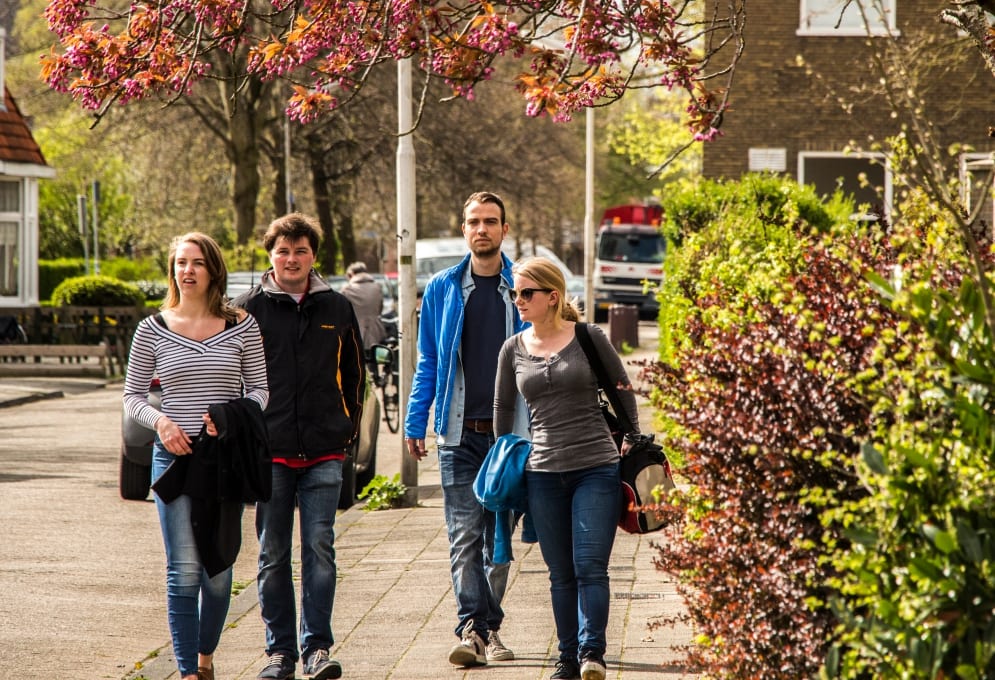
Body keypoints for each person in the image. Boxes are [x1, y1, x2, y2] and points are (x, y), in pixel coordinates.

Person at [123, 232, 269, 680]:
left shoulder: (243, 325)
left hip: (224, 462)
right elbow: (132, 397)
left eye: (197, 263)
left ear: (213, 270)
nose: (188, 271)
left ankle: (206, 654)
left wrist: (229, 416)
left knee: (219, 571)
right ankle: (188, 671)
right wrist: (161, 422)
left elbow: (261, 391)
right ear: (172, 270)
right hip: (174, 461)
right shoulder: (153, 328)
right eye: (181, 263)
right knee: (183, 570)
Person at [493, 256, 640, 680]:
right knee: (560, 573)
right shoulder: (512, 348)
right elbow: (504, 406)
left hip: (596, 466)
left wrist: (631, 435)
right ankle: (567, 657)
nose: (518, 300)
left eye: (526, 293)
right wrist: (504, 454)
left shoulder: (587, 337)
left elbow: (621, 389)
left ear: (552, 297)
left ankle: (593, 652)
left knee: (590, 565)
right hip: (542, 473)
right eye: (514, 293)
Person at [235, 213, 365, 680]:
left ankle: (317, 649)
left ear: (314, 256)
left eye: (301, 251)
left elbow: (355, 375)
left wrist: (347, 430)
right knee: (272, 554)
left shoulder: (337, 307)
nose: (292, 259)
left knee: (320, 547)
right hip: (270, 453)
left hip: (325, 452)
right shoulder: (247, 309)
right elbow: (235, 382)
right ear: (270, 255)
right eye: (284, 251)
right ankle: (279, 654)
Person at [405, 190, 527, 668]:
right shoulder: (441, 288)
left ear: (504, 229)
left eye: (491, 221)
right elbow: (429, 361)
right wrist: (417, 420)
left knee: (499, 538)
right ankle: (477, 630)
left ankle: (481, 628)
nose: (482, 229)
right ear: (463, 230)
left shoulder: (524, 285)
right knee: (463, 536)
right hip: (458, 433)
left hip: (511, 436)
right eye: (474, 221)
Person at [340, 260, 387, 352]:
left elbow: (341, 313)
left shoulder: (347, 290)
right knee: (374, 360)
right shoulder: (377, 287)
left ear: (352, 274)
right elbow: (380, 309)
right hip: (376, 331)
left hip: (355, 332)